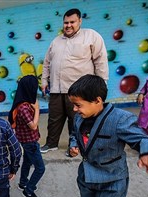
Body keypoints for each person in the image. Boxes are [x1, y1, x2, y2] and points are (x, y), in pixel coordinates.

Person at [40, 8, 108, 157]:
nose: (68, 25)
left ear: (80, 21)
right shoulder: (56, 41)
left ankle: (75, 147)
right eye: (66, 22)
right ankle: (51, 144)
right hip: (57, 89)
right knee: (54, 118)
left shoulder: (91, 36)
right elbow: (47, 63)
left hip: (80, 91)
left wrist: (101, 86)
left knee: (76, 119)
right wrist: (44, 81)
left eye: (72, 22)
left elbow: (100, 61)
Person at [8, 75, 45, 197]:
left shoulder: (26, 102)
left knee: (28, 162)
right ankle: (28, 191)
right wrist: (37, 109)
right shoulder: (24, 107)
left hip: (28, 140)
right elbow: (33, 125)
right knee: (40, 168)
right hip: (29, 142)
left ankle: (23, 183)